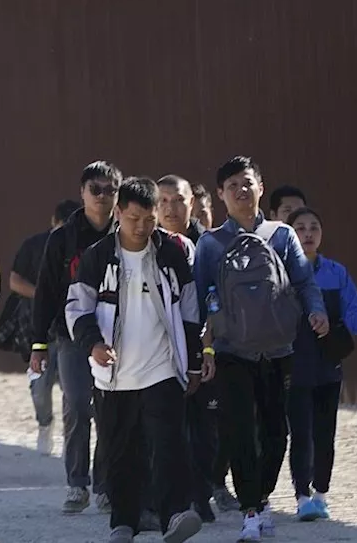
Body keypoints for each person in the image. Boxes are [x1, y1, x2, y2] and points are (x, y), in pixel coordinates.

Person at [192, 156, 328, 542]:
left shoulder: (282, 235)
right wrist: (204, 350)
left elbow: (304, 282)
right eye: (232, 184)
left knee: (275, 432)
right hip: (232, 350)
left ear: (260, 187)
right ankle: (250, 509)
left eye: (247, 182)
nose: (241, 189)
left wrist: (316, 311)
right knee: (238, 430)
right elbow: (199, 300)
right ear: (220, 194)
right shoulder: (211, 243)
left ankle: (263, 496)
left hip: (278, 349)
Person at [67, 177, 206, 543]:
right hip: (114, 375)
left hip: (162, 367)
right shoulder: (97, 257)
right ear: (118, 214)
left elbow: (191, 313)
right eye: (133, 219)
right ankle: (123, 523)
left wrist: (192, 362)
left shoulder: (171, 256)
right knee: (120, 452)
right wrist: (93, 344)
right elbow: (76, 309)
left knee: (168, 445)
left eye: (148, 219)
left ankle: (174, 516)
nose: (141, 227)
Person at [31, 161, 122, 513]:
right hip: (71, 337)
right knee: (78, 406)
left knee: (110, 410)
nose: (102, 197)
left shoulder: (126, 233)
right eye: (94, 190)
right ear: (82, 193)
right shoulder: (63, 239)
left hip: (116, 334)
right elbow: (45, 294)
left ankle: (105, 485)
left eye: (109, 190)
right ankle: (76, 484)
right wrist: (39, 343)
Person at [286, 207, 357, 522]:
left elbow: (353, 311)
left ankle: (321, 493)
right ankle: (302, 497)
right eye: (300, 228)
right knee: (301, 433)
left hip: (328, 364)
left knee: (325, 433)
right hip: (294, 365)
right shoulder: (282, 272)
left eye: (314, 228)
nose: (308, 234)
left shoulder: (336, 272)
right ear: (289, 234)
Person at [156, 174, 229, 521]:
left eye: (179, 200)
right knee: (165, 429)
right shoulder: (144, 244)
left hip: (204, 347)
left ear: (193, 204)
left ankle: (202, 495)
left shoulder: (209, 245)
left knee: (204, 431)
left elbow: (215, 302)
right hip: (158, 353)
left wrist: (208, 350)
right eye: (164, 201)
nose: (171, 208)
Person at [7, 199, 80, 456]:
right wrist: (42, 295)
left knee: (72, 390)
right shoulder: (35, 245)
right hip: (39, 330)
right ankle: (44, 424)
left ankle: (70, 439)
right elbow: (14, 281)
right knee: (40, 387)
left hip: (73, 331)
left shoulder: (84, 246)